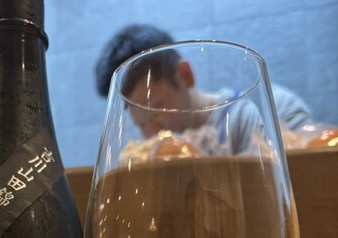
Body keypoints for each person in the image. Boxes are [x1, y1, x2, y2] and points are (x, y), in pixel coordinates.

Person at [95, 24, 315, 152]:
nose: (153, 132)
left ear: (185, 76)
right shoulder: (153, 156)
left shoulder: (272, 111)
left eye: (156, 109)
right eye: (141, 123)